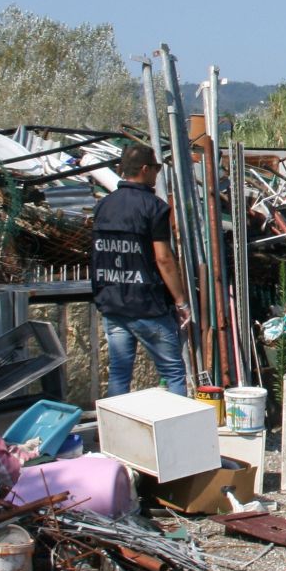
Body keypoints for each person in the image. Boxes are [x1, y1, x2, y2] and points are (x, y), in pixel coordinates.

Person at [90, 143, 190, 396]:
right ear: (145, 170)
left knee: (119, 374)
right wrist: (180, 301)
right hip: (147, 306)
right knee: (173, 372)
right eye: (155, 169)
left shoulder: (104, 206)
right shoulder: (153, 207)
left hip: (112, 304)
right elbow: (164, 258)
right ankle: (176, 434)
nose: (157, 174)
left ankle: (113, 435)